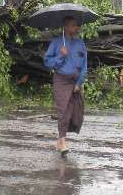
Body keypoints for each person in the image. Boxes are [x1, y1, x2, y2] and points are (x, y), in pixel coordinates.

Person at [43, 15, 87, 155]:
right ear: (66, 27)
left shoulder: (80, 44)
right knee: (63, 112)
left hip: (75, 81)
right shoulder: (57, 43)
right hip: (61, 80)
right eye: (73, 25)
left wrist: (79, 82)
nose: (76, 28)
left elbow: (85, 65)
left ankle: (60, 140)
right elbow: (47, 62)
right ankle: (62, 141)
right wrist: (60, 56)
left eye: (77, 25)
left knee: (75, 113)